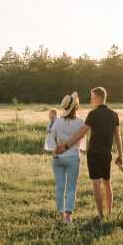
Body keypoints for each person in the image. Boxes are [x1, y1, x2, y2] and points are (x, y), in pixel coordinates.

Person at [55, 87, 123, 221]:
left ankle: (101, 216)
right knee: (107, 182)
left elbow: (81, 133)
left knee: (96, 183)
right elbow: (117, 137)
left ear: (97, 97)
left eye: (92, 97)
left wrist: (66, 145)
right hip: (106, 153)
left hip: (94, 154)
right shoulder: (114, 114)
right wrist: (120, 155)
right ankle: (109, 213)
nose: (91, 99)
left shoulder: (93, 114)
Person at [50, 92, 85, 224]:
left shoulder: (57, 122)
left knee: (59, 187)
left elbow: (51, 140)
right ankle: (68, 217)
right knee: (71, 187)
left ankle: (61, 214)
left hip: (58, 158)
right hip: (73, 158)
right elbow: (82, 143)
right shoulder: (81, 122)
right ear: (76, 106)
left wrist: (55, 152)